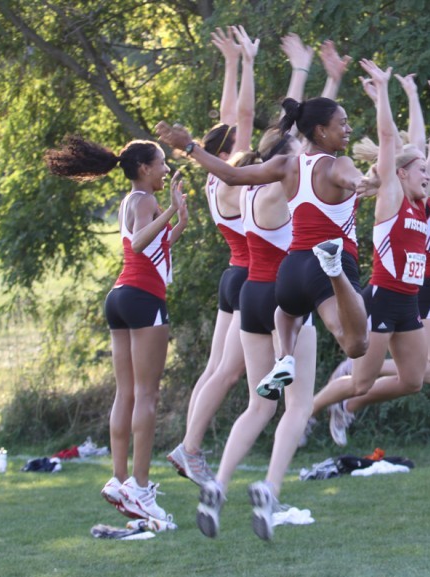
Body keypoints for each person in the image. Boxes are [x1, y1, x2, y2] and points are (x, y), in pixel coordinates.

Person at [194, 35, 350, 542]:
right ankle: (269, 488)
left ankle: (216, 486)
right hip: (284, 300)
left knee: (257, 403)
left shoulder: (245, 187)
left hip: (249, 299)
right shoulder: (291, 186)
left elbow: (288, 127)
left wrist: (191, 147)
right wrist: (315, 82)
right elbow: (309, 139)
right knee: (297, 405)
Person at [155, 92, 371, 399]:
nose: (348, 129)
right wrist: (364, 182)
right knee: (355, 344)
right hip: (327, 264)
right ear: (321, 130)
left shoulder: (284, 164)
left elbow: (231, 174)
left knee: (287, 312)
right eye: (343, 123)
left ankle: (285, 358)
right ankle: (334, 271)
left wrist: (190, 147)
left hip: (294, 269)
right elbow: (353, 179)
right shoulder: (340, 164)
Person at [45, 135, 188, 520]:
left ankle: (119, 480)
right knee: (147, 396)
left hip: (121, 297)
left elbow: (154, 245)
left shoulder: (131, 201)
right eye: (160, 163)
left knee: (126, 393)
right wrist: (170, 211)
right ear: (143, 168)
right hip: (142, 298)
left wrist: (179, 221)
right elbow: (142, 243)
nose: (165, 169)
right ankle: (140, 489)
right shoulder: (144, 200)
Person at [311, 59, 429, 447]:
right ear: (402, 174)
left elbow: (418, 144)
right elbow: (389, 139)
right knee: (360, 382)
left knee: (413, 380)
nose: (427, 176)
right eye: (421, 170)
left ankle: (344, 409)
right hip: (381, 299)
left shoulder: (422, 205)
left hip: (408, 303)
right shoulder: (392, 198)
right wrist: (382, 92)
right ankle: (306, 412)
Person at [168, 25, 259, 486]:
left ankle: (190, 446)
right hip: (246, 277)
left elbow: (228, 118)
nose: (250, 142)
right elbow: (240, 115)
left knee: (214, 369)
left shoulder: (214, 173)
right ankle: (189, 449)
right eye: (240, 143)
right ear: (227, 152)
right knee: (227, 372)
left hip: (233, 274)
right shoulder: (228, 175)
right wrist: (250, 63)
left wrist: (232, 63)